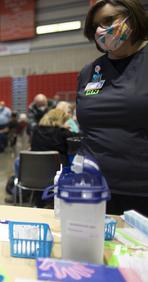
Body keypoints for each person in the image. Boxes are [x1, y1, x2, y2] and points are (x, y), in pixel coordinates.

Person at [77, 0, 148, 215]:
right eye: (96, 25)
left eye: (109, 20)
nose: (101, 29)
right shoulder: (89, 72)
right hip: (92, 189)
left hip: (142, 191)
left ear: (132, 18)